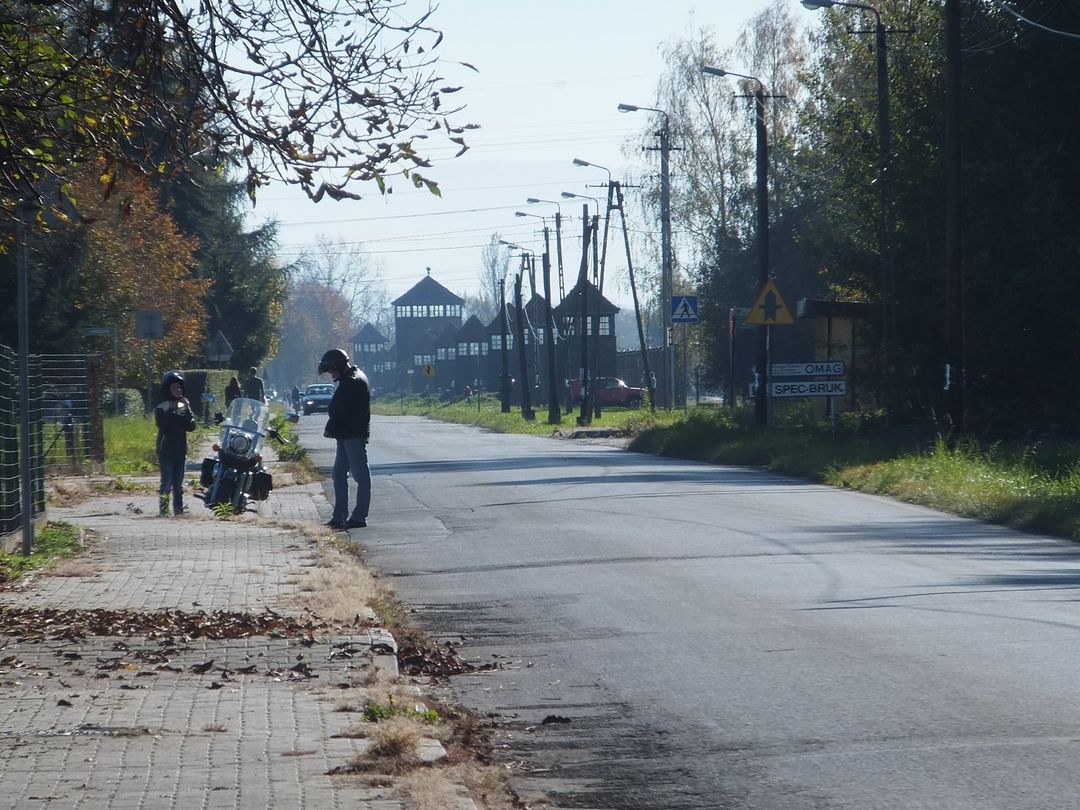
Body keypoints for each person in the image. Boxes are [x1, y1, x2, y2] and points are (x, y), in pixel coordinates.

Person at [318, 348, 370, 530]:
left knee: (361, 477)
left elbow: (342, 411)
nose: (330, 373)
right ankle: (339, 515)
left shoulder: (351, 381)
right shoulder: (352, 378)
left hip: (353, 435)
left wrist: (331, 427)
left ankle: (359, 516)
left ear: (337, 365)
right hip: (346, 435)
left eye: (331, 370)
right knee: (339, 475)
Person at [154, 370, 196, 516]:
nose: (178, 390)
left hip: (180, 450)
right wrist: (175, 410)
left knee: (178, 485)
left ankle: (178, 511)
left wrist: (188, 409)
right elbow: (163, 425)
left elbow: (191, 426)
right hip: (166, 450)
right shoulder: (162, 407)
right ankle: (163, 510)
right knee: (166, 483)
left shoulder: (183, 407)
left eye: (179, 388)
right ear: (167, 389)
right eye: (174, 388)